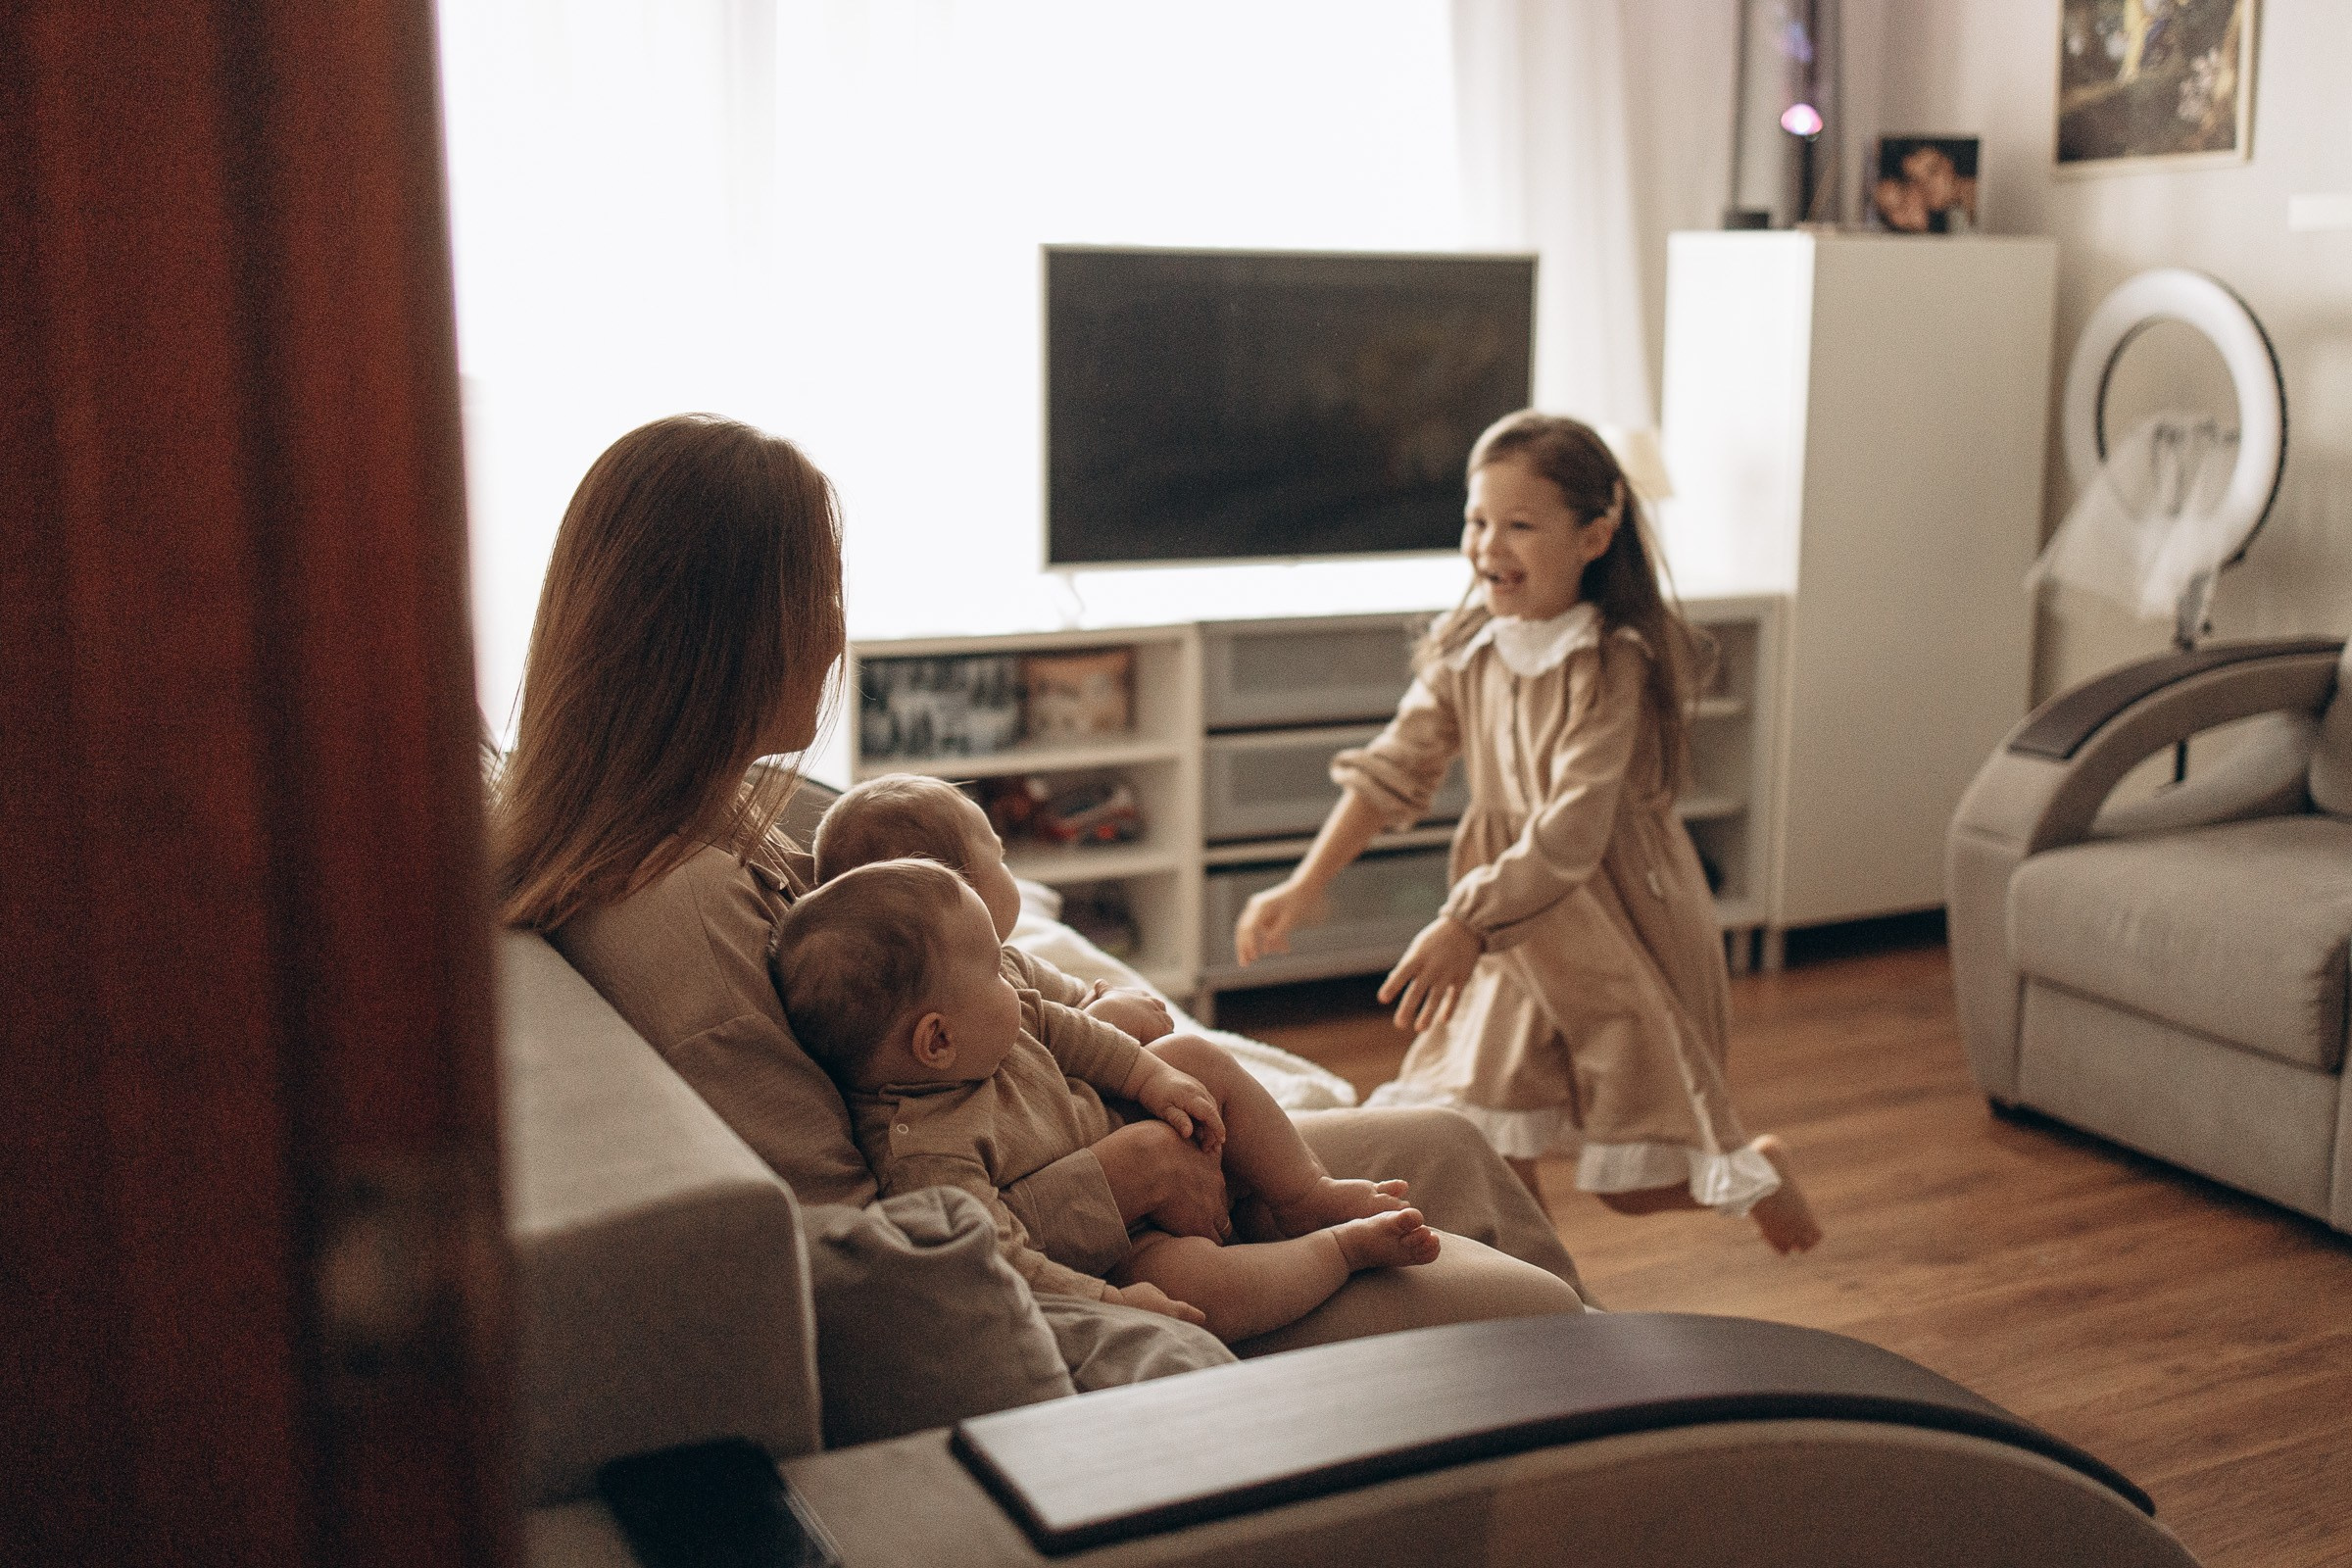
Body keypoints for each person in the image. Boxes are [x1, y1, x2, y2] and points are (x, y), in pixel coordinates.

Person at [492, 414, 1587, 1403]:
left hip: (1068, 1147)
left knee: (1449, 1140)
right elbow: (881, 1241)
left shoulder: (698, 816)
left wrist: (1119, 1074)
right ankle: (1626, 1436)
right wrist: (1123, 1177)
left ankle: (1628, 1455)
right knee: (1539, 1330)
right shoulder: (678, 925)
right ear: (731, 631)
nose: (834, 635)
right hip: (1101, 1263)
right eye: (819, 595)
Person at [1234, 411, 1823, 1255]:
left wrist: (1466, 923)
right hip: (1508, 929)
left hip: (1608, 919)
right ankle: (1547, 1308)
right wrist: (1305, 881)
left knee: (1636, 1172)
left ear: (1595, 534)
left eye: (1518, 525)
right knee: (1484, 1132)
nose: (1487, 546)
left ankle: (1759, 1176)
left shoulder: (1614, 661)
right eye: (1476, 522)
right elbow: (1396, 766)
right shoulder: (1470, 647)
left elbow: (1571, 832)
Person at [774, 853, 1441, 1344]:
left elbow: (1073, 1031)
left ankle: (1302, 1196)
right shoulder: (927, 1157)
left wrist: (1152, 1080)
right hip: (1120, 1243)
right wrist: (1109, 1298)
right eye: (993, 969)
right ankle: (1338, 1252)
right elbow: (1001, 1257)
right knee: (1204, 1290)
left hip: (1121, 1128)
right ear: (937, 1041)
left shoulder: (988, 1025)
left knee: (1191, 1057)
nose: (1014, 978)